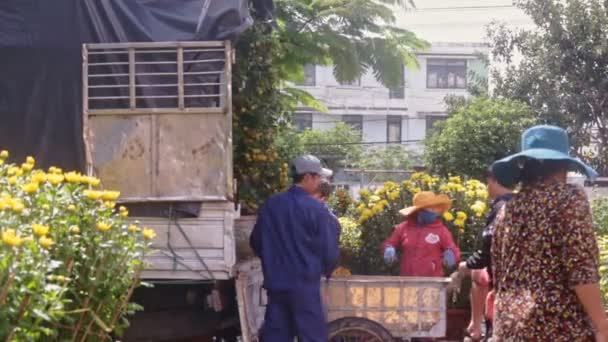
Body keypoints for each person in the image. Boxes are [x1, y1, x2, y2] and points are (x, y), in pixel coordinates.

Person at [489, 125, 607, 341]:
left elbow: (498, 273)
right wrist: (602, 325)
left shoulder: (507, 210)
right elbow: (581, 267)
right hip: (557, 327)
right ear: (563, 165)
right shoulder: (568, 200)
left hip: (508, 326)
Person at [249, 154, 340, 342]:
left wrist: (273, 262)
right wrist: (326, 270)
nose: (321, 181)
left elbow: (256, 242)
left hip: (276, 286)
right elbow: (329, 251)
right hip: (304, 287)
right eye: (318, 177)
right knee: (312, 336)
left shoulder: (271, 205)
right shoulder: (317, 209)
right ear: (307, 177)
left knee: (276, 336)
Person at [451, 167, 513, 341]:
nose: (487, 187)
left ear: (494, 181)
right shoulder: (520, 204)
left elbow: (488, 250)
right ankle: (476, 326)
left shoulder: (501, 208)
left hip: (502, 284)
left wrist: (466, 265)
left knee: (479, 275)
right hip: (520, 283)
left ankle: (476, 328)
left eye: (488, 182)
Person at [381, 191, 460, 277]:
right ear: (419, 211)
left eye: (434, 209)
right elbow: (391, 242)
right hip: (408, 279)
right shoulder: (403, 228)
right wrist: (389, 248)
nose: (433, 212)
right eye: (430, 209)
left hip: (432, 281)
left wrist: (451, 253)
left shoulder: (442, 231)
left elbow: (452, 248)